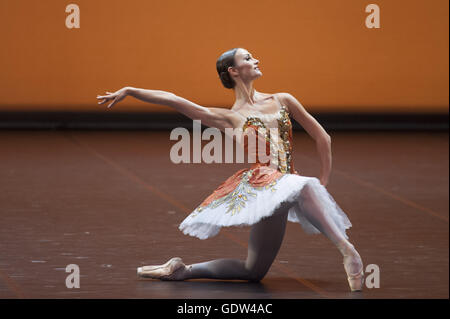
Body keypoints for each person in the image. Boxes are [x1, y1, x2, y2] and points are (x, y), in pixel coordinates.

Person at [96, 48, 364, 291]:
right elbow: (174, 100)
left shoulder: (283, 99)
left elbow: (323, 138)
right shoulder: (228, 117)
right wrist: (131, 90)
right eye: (248, 58)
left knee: (255, 268)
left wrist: (323, 181)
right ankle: (183, 271)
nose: (256, 60)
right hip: (264, 183)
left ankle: (346, 248)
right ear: (233, 71)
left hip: (287, 182)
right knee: (255, 267)